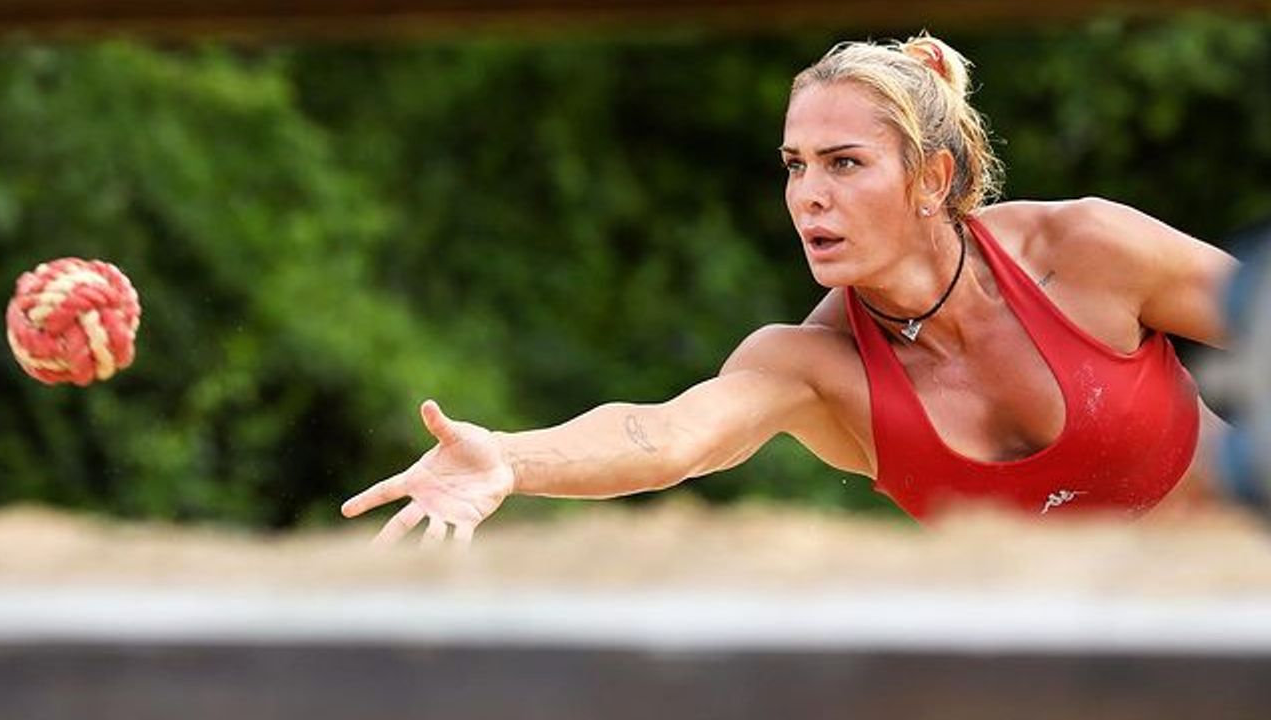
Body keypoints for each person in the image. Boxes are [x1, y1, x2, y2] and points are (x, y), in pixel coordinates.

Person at [341, 34, 1240, 545]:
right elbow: (669, 437)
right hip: (1089, 671)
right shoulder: (812, 368)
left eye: (844, 163)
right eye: (795, 165)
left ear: (932, 179)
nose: (808, 195)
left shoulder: (1081, 251)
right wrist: (509, 458)